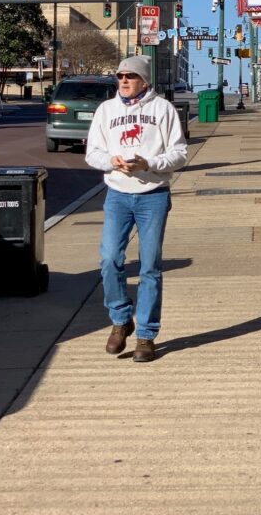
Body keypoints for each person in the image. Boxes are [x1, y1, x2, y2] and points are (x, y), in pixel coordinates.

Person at [86, 55, 187, 362]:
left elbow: (180, 153)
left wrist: (150, 164)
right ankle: (120, 320)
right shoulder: (106, 110)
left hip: (153, 194)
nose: (124, 81)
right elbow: (93, 153)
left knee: (150, 266)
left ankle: (146, 335)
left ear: (144, 80)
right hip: (117, 193)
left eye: (130, 76)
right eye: (120, 76)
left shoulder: (163, 109)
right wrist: (111, 161)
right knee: (110, 258)